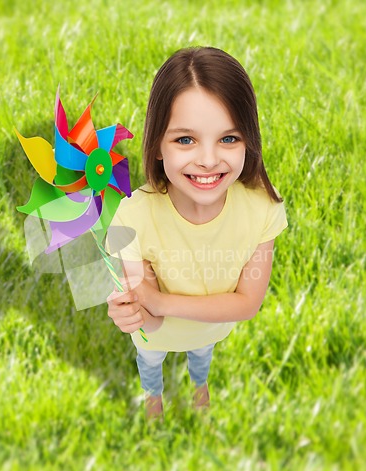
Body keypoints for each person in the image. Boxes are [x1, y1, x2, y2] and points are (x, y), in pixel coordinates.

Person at [106, 46, 288, 421]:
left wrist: (161, 302)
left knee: (202, 356)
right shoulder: (133, 217)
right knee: (150, 361)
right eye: (185, 140)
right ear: (157, 145)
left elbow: (248, 303)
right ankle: (153, 400)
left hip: (211, 332)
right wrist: (134, 309)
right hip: (156, 338)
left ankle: (199, 390)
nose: (208, 159)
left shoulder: (261, 209)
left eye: (229, 138)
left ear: (249, 140)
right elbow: (153, 322)